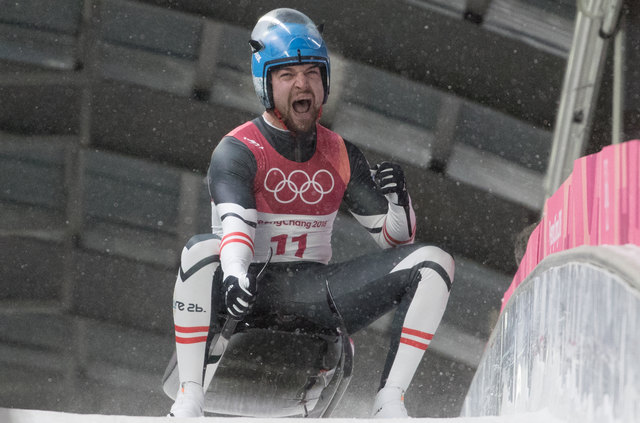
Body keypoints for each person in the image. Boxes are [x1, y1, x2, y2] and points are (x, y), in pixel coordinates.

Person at [168, 8, 454, 419]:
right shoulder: (238, 149)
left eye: (312, 73)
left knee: (434, 263)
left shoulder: (340, 153)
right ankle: (190, 396)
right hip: (247, 292)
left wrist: (399, 202)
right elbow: (235, 228)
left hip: (316, 293)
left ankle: (390, 402)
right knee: (199, 252)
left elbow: (395, 241)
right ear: (264, 83)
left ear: (325, 81)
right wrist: (234, 274)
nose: (302, 84)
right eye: (287, 74)